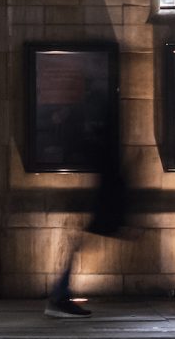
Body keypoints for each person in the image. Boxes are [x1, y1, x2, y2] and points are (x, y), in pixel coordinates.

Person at [44, 96, 131, 317]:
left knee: (79, 245)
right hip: (104, 201)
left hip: (104, 200)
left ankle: (60, 295)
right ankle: (59, 297)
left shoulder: (98, 134)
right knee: (78, 245)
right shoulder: (101, 135)